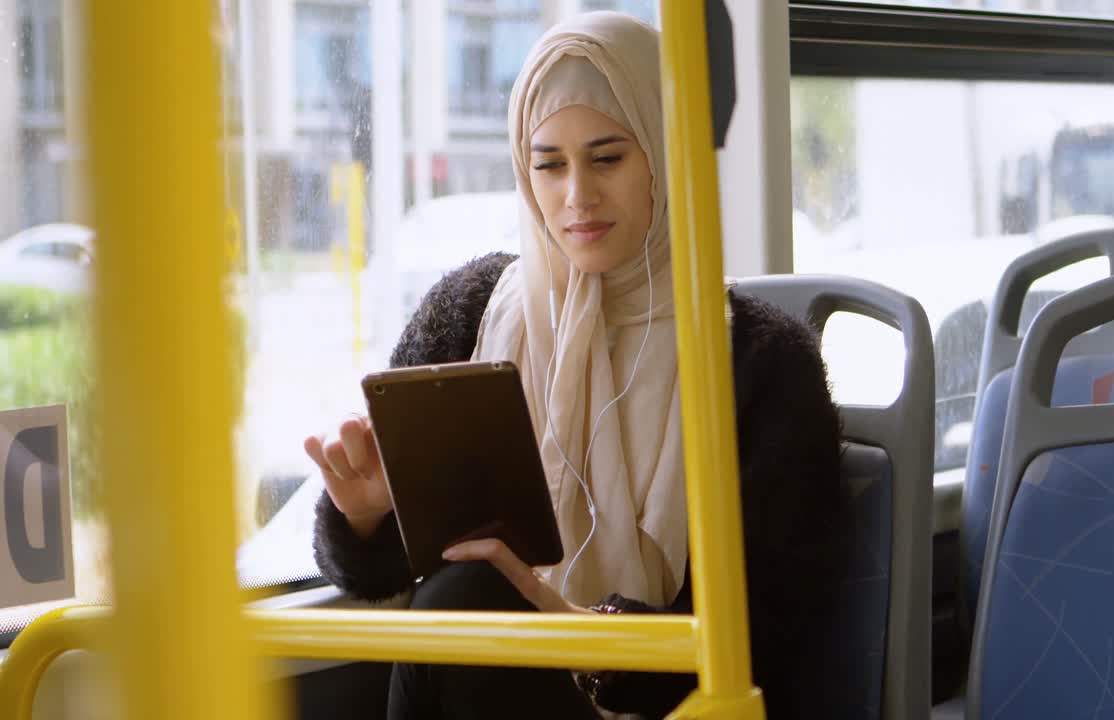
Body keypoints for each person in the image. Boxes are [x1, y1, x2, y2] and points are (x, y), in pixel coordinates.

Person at [304, 12, 843, 719]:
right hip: (483, 680)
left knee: (474, 606)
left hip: (663, 704)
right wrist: (371, 520)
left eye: (608, 157)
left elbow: (771, 632)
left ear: (664, 149)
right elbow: (375, 572)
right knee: (463, 599)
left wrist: (591, 641)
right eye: (549, 165)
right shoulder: (470, 310)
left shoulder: (763, 365)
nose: (576, 196)